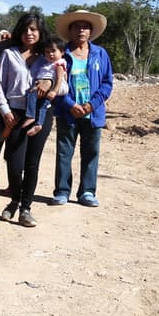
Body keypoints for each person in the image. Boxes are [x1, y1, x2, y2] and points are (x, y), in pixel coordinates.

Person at [0, 11, 54, 226]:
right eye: (26, 29)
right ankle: (14, 200)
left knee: (32, 163)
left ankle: (25, 208)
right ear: (20, 31)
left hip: (40, 114)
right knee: (14, 161)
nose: (30, 33)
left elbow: (63, 85)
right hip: (15, 113)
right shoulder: (9, 54)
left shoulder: (49, 56)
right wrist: (4, 110)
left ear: (40, 32)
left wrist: (50, 85)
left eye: (34, 29)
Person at [51, 10, 114, 208]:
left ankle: (87, 191)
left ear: (91, 31)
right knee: (64, 152)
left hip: (92, 113)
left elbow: (107, 83)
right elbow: (55, 82)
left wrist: (90, 105)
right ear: (69, 31)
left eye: (85, 27)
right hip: (67, 112)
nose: (81, 30)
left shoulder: (100, 53)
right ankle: (62, 191)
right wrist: (71, 105)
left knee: (91, 153)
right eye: (76, 26)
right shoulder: (62, 54)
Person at [19, 36, 68, 136]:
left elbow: (59, 78)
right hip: (45, 89)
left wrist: (54, 91)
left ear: (62, 52)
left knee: (31, 94)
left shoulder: (59, 64)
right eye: (47, 52)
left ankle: (30, 116)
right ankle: (39, 124)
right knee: (43, 106)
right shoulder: (48, 63)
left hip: (50, 89)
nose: (50, 54)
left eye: (53, 51)